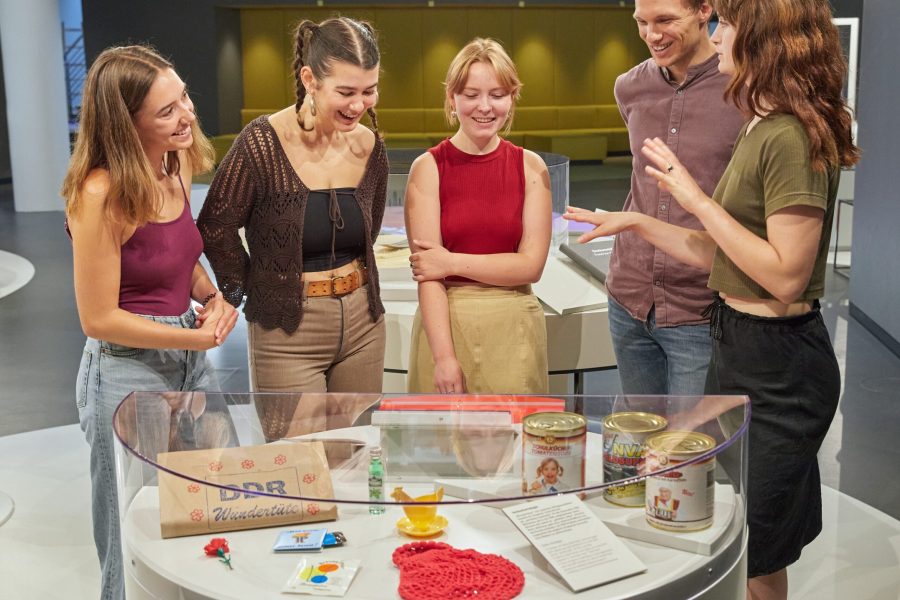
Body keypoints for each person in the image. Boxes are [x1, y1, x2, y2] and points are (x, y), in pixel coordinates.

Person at [566, 0, 859, 597]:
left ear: (761, 37)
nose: (719, 37)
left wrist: (695, 198)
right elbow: (719, 250)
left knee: (752, 541)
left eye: (725, 23)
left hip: (778, 366)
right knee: (733, 523)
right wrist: (638, 223)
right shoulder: (762, 123)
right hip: (737, 340)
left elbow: (784, 277)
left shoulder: (792, 134)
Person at [62, 45, 238, 600]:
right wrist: (191, 334)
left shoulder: (175, 161)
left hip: (188, 360)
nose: (186, 114)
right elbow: (98, 318)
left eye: (183, 96)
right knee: (129, 531)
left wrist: (211, 296)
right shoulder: (100, 193)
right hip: (124, 374)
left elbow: (179, 259)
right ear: (125, 122)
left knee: (215, 499)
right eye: (166, 111)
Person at [198, 17, 388, 395]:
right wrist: (254, 285)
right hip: (287, 328)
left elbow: (371, 226)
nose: (359, 105)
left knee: (354, 450)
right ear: (309, 80)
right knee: (297, 454)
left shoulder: (369, 146)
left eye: (370, 91)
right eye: (347, 91)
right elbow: (215, 224)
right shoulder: (262, 143)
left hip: (364, 322)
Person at [583, 0, 744, 395]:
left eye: (665, 20)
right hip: (628, 298)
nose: (652, 35)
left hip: (701, 308)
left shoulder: (743, 89)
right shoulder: (629, 87)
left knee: (690, 448)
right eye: (642, 22)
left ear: (705, 10)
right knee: (638, 440)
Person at [404, 38, 551, 394]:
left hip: (514, 329)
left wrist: (450, 261)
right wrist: (444, 359)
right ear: (452, 99)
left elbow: (530, 267)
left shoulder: (531, 166)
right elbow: (430, 275)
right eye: (471, 94)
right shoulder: (427, 168)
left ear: (512, 98)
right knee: (440, 448)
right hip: (445, 330)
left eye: (497, 94)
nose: (484, 107)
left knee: (513, 448)